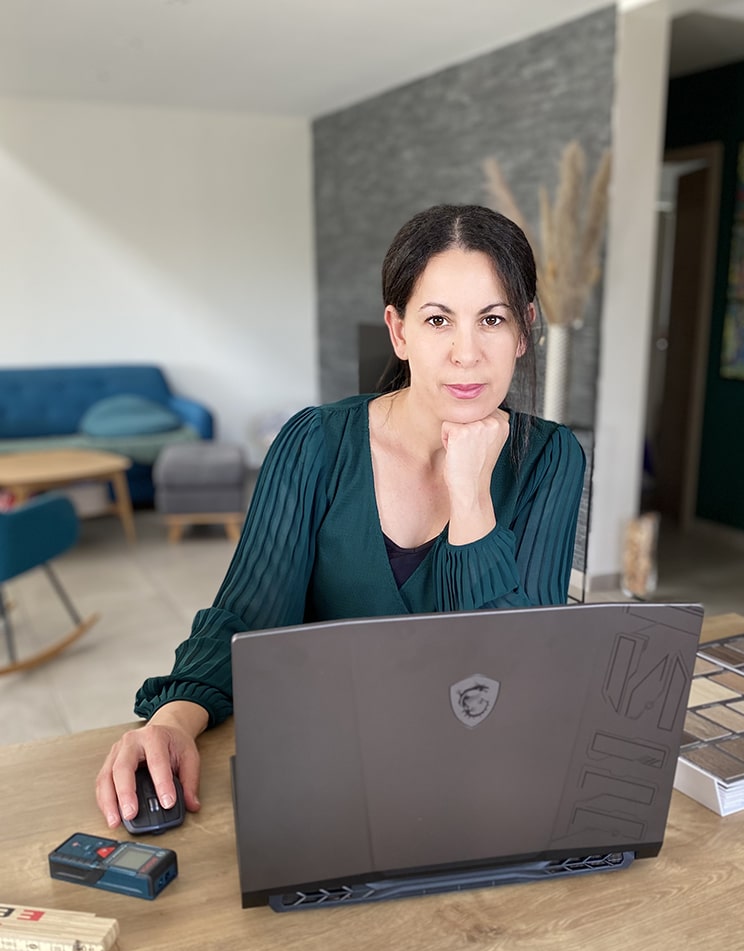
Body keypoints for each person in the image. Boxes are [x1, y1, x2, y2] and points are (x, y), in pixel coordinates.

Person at [95, 203, 586, 828]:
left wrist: (470, 499)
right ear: (399, 330)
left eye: (492, 319)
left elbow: (516, 670)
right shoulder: (315, 444)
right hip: (327, 777)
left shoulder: (551, 458)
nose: (468, 353)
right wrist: (171, 721)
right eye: (438, 320)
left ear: (524, 331)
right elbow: (246, 620)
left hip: (472, 785)